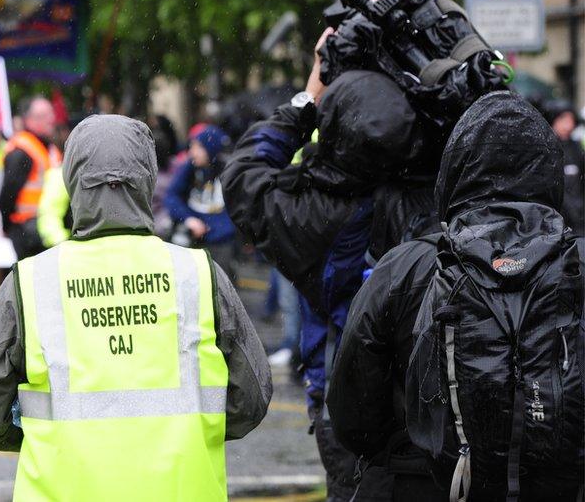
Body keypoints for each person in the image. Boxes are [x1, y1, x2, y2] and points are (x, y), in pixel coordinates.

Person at [0, 114, 272, 501]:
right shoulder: (196, 273)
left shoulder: (31, 280)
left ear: (73, 179)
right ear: (147, 178)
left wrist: (49, 437)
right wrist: (186, 436)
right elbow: (251, 398)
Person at [329, 92, 584, 501]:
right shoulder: (578, 265)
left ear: (455, 170)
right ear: (549, 170)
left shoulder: (407, 266)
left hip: (427, 484)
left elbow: (351, 413)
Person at [221, 29, 440, 500]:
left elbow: (244, 176)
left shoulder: (313, 216)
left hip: (349, 411)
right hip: (437, 404)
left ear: (333, 129)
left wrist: (309, 96)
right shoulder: (441, 194)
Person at [164, 125, 238, 275]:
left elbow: (238, 205)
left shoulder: (229, 170)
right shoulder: (189, 168)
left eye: (197, 147)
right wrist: (189, 219)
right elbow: (171, 196)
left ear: (209, 149)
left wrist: (221, 228)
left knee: (221, 284)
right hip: (193, 239)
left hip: (221, 242)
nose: (192, 152)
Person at [0, 96, 61, 259]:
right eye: (44, 115)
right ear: (29, 120)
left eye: (51, 114)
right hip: (26, 231)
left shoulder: (50, 149)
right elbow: (7, 194)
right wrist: (7, 226)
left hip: (47, 227)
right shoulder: (22, 151)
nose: (51, 119)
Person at [540, 99, 584, 235]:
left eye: (570, 120)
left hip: (580, 217)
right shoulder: (546, 149)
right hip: (558, 220)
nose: (567, 125)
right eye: (563, 120)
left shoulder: (576, 148)